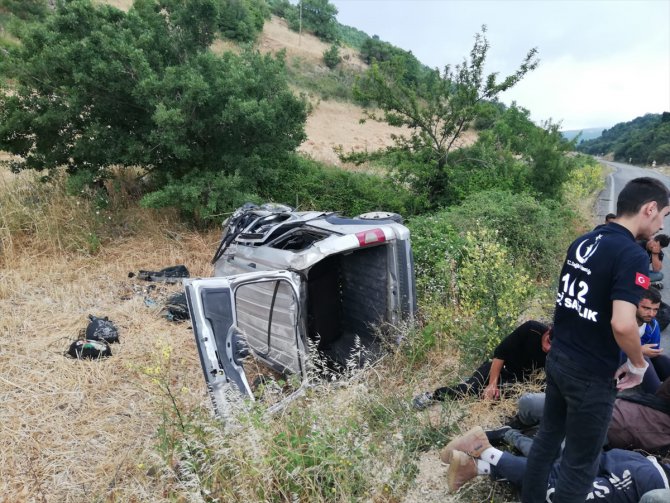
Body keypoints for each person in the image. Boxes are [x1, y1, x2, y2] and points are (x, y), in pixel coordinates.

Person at [522, 177, 670, 503]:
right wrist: (638, 363)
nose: (662, 223)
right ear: (649, 209)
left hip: (561, 358)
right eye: (663, 215)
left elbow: (567, 302)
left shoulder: (584, 241)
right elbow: (622, 324)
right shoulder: (633, 255)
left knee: (547, 440)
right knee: (580, 462)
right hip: (591, 373)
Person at [443, 426, 670, 500]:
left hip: (639, 463)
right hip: (651, 482)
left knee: (560, 474)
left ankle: (476, 466)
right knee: (559, 493)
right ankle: (485, 450)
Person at [412, 321, 551, 408]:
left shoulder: (561, 352)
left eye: (554, 347)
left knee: (496, 400)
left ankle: (479, 384)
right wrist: (492, 384)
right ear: (548, 332)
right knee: (470, 389)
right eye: (548, 341)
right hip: (499, 367)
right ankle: (432, 396)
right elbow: (500, 353)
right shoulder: (531, 329)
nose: (548, 348)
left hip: (517, 381)